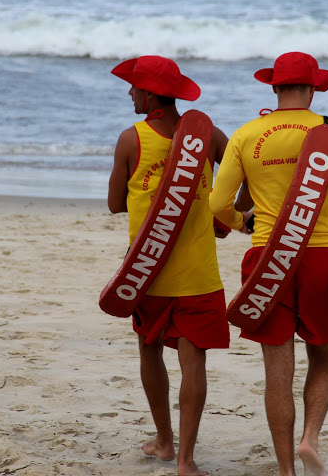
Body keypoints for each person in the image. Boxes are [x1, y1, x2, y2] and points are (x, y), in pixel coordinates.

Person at [209, 52, 328, 476]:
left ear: (274, 87)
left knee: (277, 372)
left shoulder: (247, 134)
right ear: (313, 88)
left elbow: (218, 203)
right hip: (321, 256)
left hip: (267, 258)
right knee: (323, 357)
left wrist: (242, 224)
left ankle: (285, 469)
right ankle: (310, 439)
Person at [107, 55, 230, 476]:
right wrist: (224, 217)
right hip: (199, 274)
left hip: (147, 270)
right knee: (194, 362)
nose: (130, 93)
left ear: (151, 94)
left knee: (150, 347)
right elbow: (244, 181)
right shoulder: (209, 136)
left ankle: (164, 441)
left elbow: (114, 204)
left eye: (135, 87)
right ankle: (186, 460)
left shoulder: (132, 140)